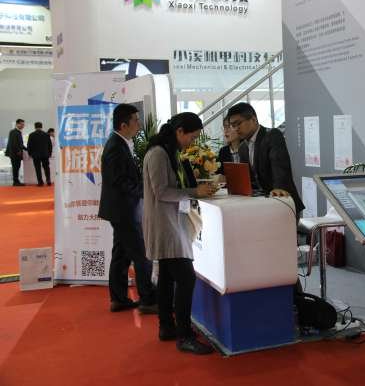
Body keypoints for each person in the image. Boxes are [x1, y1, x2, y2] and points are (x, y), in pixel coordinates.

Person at [143, 112, 216, 355]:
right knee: (186, 278)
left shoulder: (168, 151)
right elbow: (162, 191)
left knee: (166, 277)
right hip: (165, 224)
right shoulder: (158, 154)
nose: (191, 143)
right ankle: (184, 335)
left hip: (171, 221)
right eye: (191, 137)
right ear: (180, 131)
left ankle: (167, 326)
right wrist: (194, 192)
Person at [98, 104, 157, 314]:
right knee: (141, 254)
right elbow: (120, 181)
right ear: (124, 125)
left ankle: (118, 298)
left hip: (121, 209)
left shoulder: (120, 143)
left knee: (121, 254)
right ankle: (148, 300)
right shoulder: (116, 146)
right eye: (136, 120)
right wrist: (145, 191)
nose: (139, 124)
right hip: (123, 210)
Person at [226, 102, 304, 215]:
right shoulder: (243, 148)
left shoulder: (272, 135)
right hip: (263, 206)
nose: (236, 128)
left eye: (239, 123)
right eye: (233, 125)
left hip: (284, 202)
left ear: (253, 119)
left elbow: (280, 167)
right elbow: (249, 180)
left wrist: (278, 188)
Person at [27, 122, 52, 186]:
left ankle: (40, 182)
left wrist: (30, 153)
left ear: (35, 127)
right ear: (41, 127)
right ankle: (48, 180)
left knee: (37, 168)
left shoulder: (31, 135)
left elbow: (29, 145)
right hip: (45, 154)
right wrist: (49, 153)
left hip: (35, 155)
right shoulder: (46, 134)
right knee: (46, 168)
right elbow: (50, 145)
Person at [5, 119, 26, 186]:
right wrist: (18, 151)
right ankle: (15, 182)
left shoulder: (18, 132)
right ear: (17, 124)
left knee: (17, 167)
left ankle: (16, 181)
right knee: (15, 167)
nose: (23, 126)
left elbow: (20, 144)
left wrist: (27, 149)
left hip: (17, 153)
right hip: (15, 153)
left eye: (23, 124)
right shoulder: (13, 132)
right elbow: (13, 143)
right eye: (22, 124)